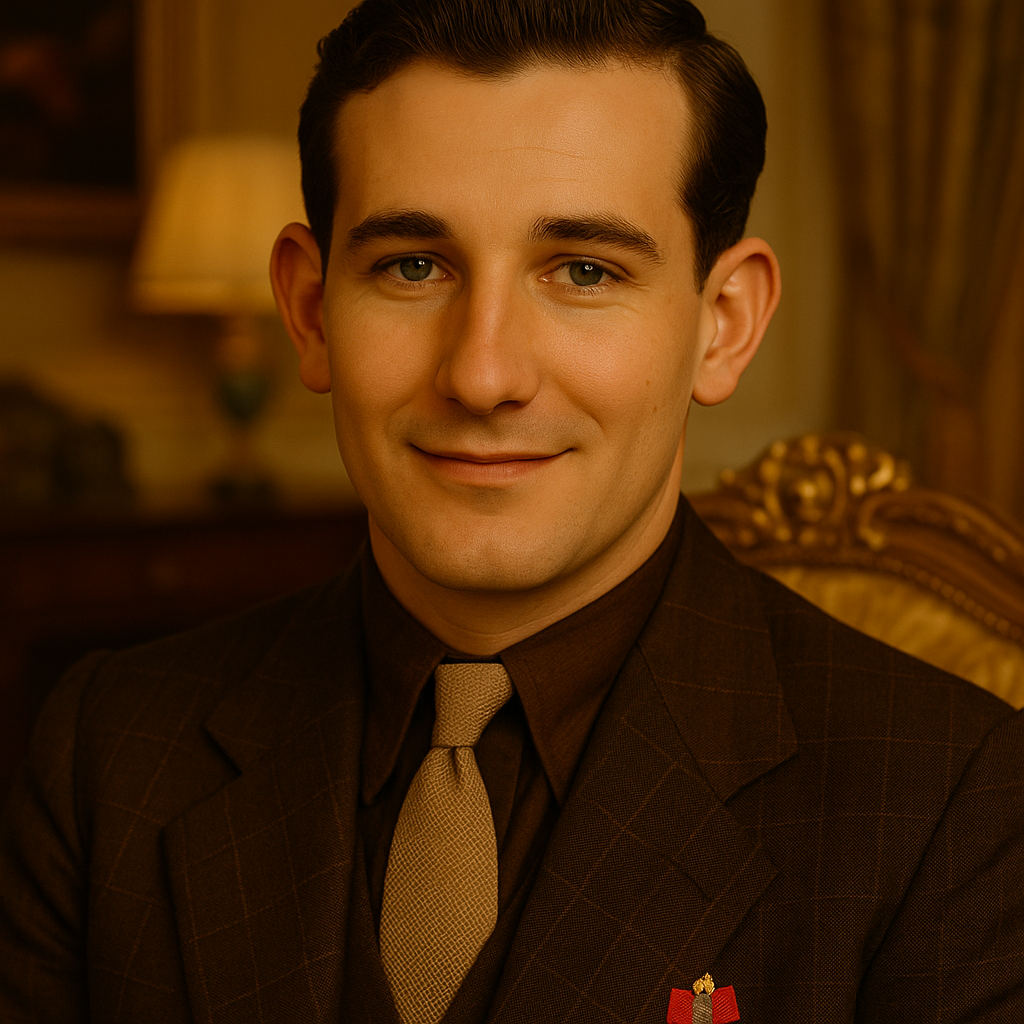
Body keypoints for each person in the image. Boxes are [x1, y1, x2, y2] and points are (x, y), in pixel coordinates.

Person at [2, 1, 1023, 1021]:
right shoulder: (106, 752)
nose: (483, 373)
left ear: (723, 324)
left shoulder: (952, 806)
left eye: (583, 271)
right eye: (412, 266)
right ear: (311, 311)